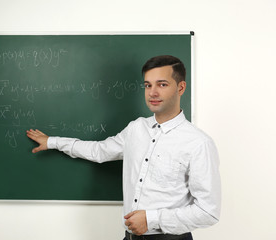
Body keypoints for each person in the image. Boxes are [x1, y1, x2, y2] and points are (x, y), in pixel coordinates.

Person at [26, 55, 221, 240]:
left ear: (180, 88)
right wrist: (52, 142)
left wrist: (151, 219)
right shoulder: (136, 129)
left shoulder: (198, 143)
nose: (152, 92)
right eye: (147, 85)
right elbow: (99, 151)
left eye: (162, 84)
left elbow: (208, 211)